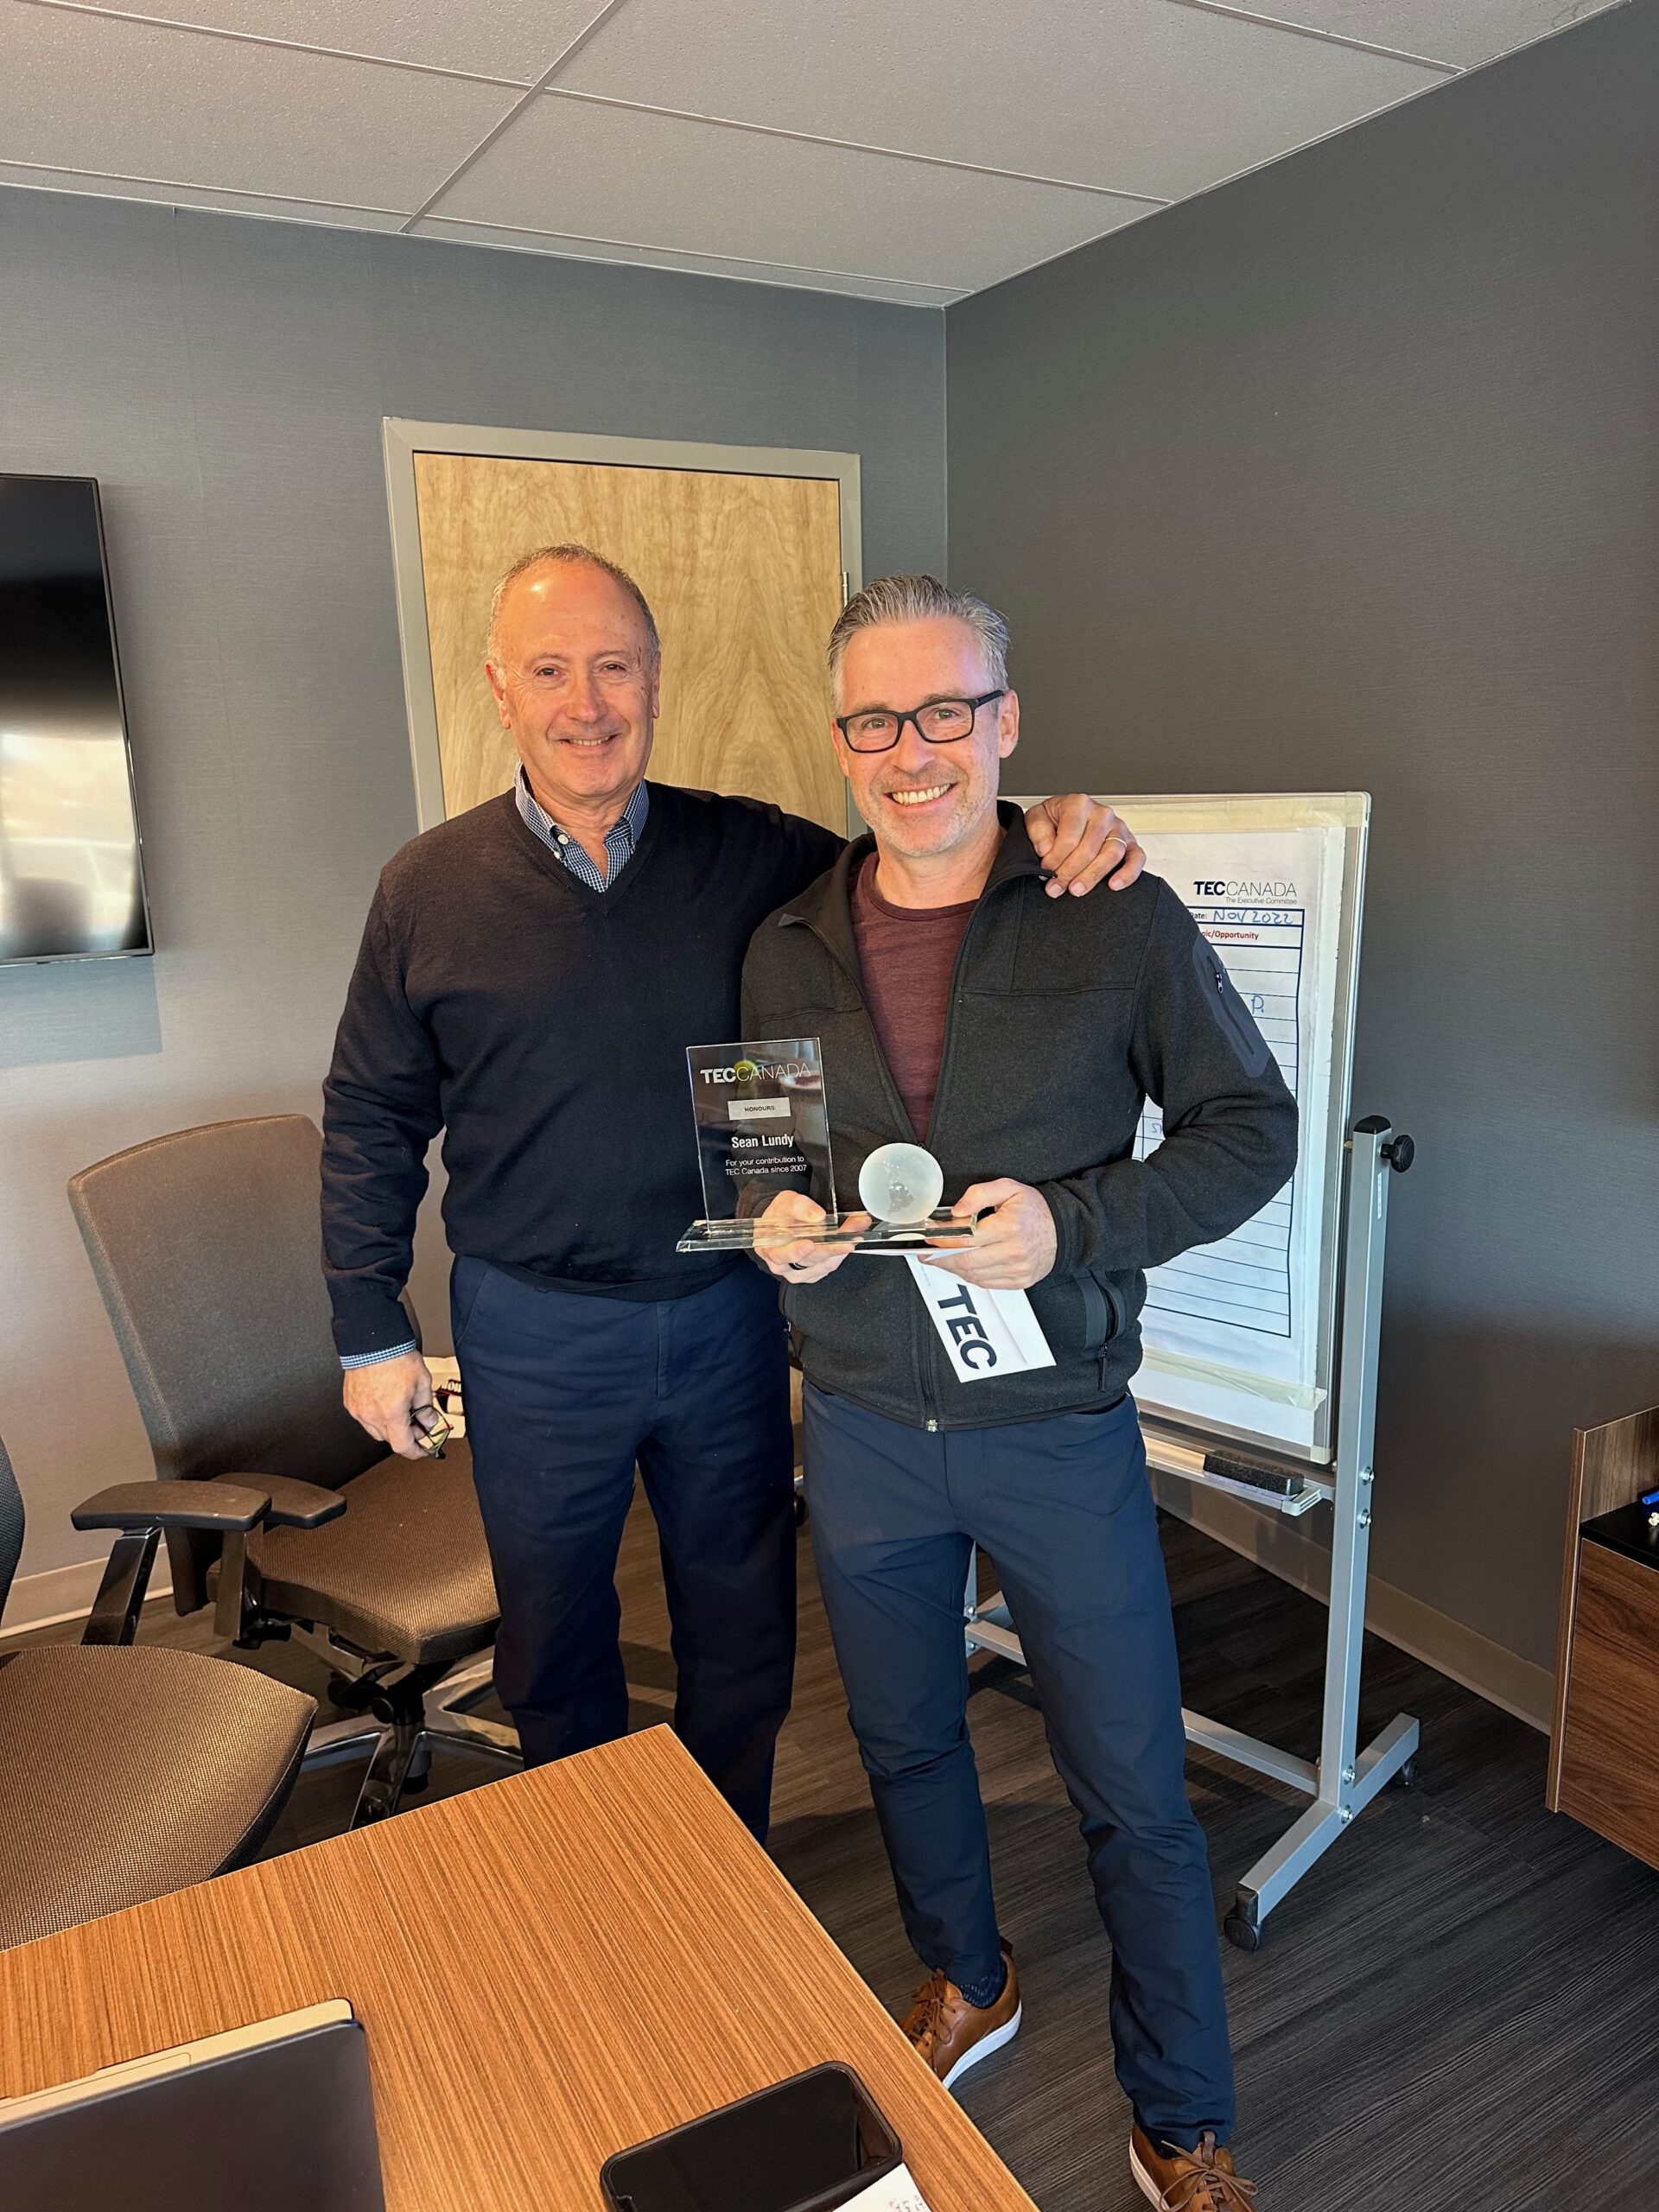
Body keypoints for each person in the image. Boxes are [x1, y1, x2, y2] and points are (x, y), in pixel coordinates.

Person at [320, 542, 1147, 1843]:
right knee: (553, 1632)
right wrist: (370, 1328)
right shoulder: (424, 889)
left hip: (728, 1315)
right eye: (551, 670)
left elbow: (926, 836)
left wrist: (1048, 822)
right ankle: (597, 1874)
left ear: (656, 680)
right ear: (500, 688)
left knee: (742, 1621)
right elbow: (371, 1116)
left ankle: (729, 1873)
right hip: (533, 1328)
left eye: (615, 667)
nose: (587, 703)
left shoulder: (758, 854)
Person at [745, 574, 1298, 2208]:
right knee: (906, 1737)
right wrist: (775, 1223)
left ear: (1006, 723)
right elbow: (769, 1151)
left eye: (947, 710)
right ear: (839, 738)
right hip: (862, 1419)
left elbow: (1250, 1131)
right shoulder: (784, 942)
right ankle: (967, 1976)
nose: (911, 750)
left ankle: (1182, 2116)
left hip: (1055, 1428)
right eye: (876, 719)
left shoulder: (1110, 911)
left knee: (1132, 1787)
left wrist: (1075, 1223)